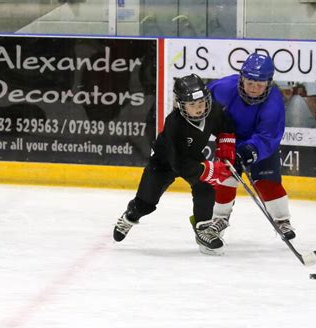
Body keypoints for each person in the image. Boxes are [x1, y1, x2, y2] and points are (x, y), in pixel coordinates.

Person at [113, 74, 236, 255]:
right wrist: (209, 169)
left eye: (201, 102)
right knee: (145, 204)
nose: (199, 108)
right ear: (181, 105)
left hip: (192, 158)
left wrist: (226, 149)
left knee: (206, 187)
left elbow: (226, 126)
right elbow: (177, 163)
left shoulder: (214, 111)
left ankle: (203, 229)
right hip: (164, 163)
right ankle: (130, 217)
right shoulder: (174, 124)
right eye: (192, 105)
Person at [207, 53, 296, 240]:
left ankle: (282, 220)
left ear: (269, 83)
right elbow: (201, 103)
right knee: (225, 177)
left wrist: (249, 152)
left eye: (259, 84)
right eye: (249, 83)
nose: (254, 89)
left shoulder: (274, 103)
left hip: (259, 146)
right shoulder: (223, 88)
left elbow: (267, 137)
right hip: (230, 140)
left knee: (267, 182)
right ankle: (219, 219)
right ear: (241, 78)